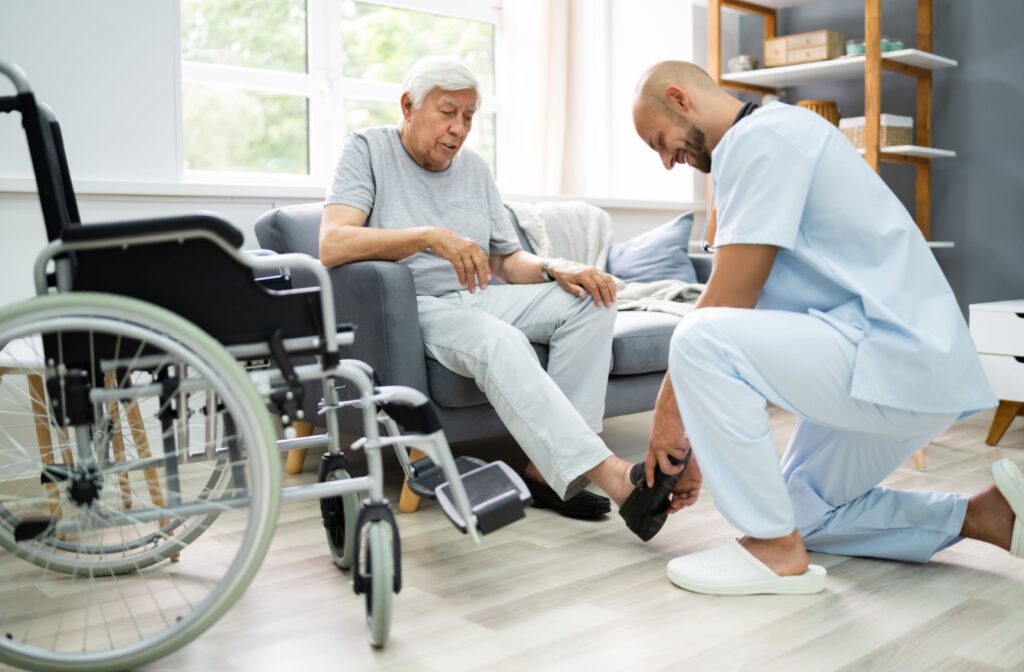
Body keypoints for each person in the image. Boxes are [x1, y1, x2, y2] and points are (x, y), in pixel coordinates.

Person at [630, 60, 1021, 595]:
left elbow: (730, 301)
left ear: (680, 99)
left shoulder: (763, 138)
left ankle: (772, 548)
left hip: (891, 355)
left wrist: (667, 415)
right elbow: (748, 325)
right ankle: (982, 516)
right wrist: (699, 434)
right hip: (895, 369)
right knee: (801, 512)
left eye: (659, 141)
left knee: (696, 337)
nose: (666, 161)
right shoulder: (763, 141)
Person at [320, 56, 683, 537]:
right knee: (500, 340)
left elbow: (506, 261)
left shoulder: (474, 168)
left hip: (477, 295)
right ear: (408, 106)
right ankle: (614, 477)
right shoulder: (367, 149)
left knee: (592, 299)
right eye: (447, 112)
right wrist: (429, 236)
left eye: (469, 116)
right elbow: (333, 243)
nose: (458, 128)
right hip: (414, 307)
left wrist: (555, 267)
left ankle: (546, 475)